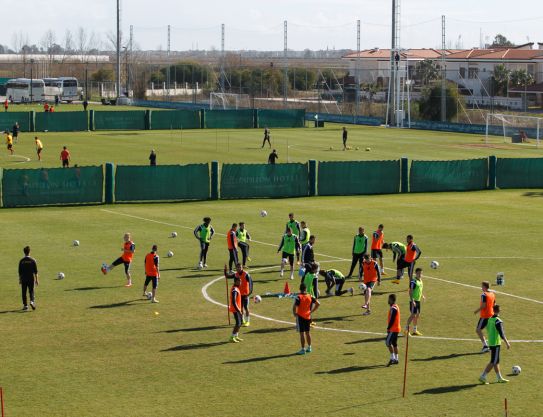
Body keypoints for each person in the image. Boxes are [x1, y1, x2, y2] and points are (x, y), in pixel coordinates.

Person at [479, 305, 511, 384]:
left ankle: (499, 378)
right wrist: (507, 343)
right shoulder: (498, 321)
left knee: (496, 361)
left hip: (491, 342)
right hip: (496, 343)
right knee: (493, 361)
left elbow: (487, 328)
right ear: (499, 311)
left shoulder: (490, 319)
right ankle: (483, 376)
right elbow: (501, 333)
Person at [293, 282, 320, 355]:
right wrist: (311, 311)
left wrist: (294, 313)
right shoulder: (310, 296)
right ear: (305, 289)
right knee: (307, 333)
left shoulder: (298, 297)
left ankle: (302, 349)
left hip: (300, 317)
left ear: (300, 289)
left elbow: (294, 306)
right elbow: (318, 303)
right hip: (308, 317)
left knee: (302, 334)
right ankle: (309, 347)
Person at [474, 281, 496, 353]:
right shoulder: (492, 294)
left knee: (478, 330)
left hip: (485, 315)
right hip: (491, 314)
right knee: (489, 330)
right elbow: (494, 304)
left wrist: (477, 311)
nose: (481, 287)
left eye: (482, 286)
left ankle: (485, 346)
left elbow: (483, 305)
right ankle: (492, 346)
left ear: (484, 287)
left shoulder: (484, 295)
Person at [18, 246, 39, 311]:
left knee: (24, 292)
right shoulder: (33, 260)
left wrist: (20, 279)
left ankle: (25, 306)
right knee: (31, 291)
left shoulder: (21, 261)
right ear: (29, 252)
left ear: (24, 252)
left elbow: (20, 272)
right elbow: (36, 271)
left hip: (24, 278)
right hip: (31, 278)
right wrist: (37, 280)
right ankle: (32, 302)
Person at [405, 268, 425, 335]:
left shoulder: (421, 281)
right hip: (413, 301)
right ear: (416, 273)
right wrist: (412, 300)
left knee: (417, 315)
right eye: (419, 273)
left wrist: (422, 295)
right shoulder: (413, 281)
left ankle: (414, 330)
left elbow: (419, 290)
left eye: (421, 273)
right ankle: (406, 330)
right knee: (413, 315)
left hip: (418, 300)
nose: (420, 274)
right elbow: (410, 291)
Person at [386, 293, 401, 366]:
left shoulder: (394, 308)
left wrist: (388, 328)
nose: (388, 300)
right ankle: (396, 359)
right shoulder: (395, 306)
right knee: (394, 344)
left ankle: (392, 358)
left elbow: (392, 319)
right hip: (396, 329)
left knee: (387, 343)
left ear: (391, 300)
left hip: (393, 329)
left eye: (389, 299)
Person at [228, 275, 243, 343]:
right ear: (236, 282)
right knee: (238, 323)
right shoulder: (235, 290)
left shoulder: (236, 288)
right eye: (239, 281)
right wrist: (238, 310)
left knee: (240, 323)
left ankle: (236, 336)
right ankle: (232, 337)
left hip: (237, 308)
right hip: (235, 309)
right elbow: (234, 301)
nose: (241, 282)